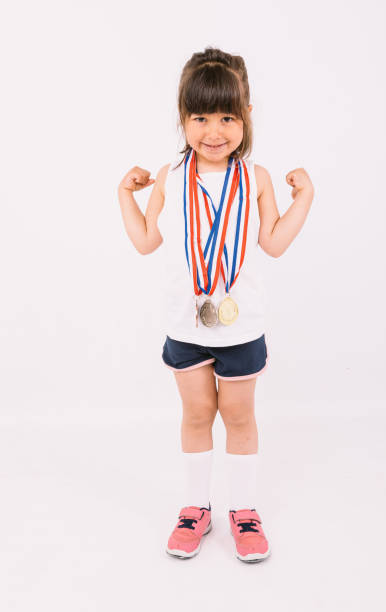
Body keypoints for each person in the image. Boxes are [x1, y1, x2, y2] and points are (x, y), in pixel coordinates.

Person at [117, 46, 314, 563]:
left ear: (247, 116)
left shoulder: (256, 179)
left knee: (240, 417)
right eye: (200, 117)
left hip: (241, 325)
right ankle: (195, 507)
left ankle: (244, 510)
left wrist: (305, 199)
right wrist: (124, 194)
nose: (214, 130)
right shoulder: (171, 177)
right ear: (182, 119)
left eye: (227, 116)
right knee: (198, 412)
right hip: (185, 324)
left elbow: (272, 242)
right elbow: (144, 241)